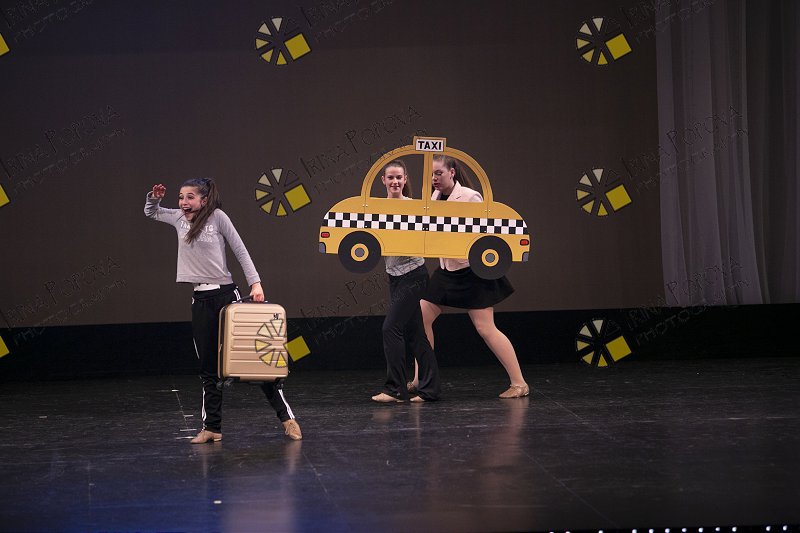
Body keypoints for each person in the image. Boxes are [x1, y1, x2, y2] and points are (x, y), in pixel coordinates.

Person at [144, 178, 302, 442]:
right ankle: (212, 429)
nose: (184, 202)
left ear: (203, 200)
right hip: (201, 301)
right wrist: (154, 198)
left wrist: (255, 283)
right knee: (209, 369)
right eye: (181, 197)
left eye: (190, 197)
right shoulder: (178, 218)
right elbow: (152, 212)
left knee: (256, 363)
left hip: (227, 297)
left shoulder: (217, 217)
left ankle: (288, 419)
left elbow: (240, 249)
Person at [418, 155, 529, 399]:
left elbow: (484, 233)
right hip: (447, 270)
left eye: (439, 173)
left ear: (452, 172)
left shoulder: (470, 197)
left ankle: (519, 383)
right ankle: (420, 378)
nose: (434, 178)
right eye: (432, 174)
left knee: (485, 328)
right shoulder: (434, 197)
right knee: (420, 317)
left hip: (471, 272)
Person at [370, 160, 440, 403]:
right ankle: (430, 390)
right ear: (383, 180)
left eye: (399, 177)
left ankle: (395, 390)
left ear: (405, 179)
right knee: (416, 334)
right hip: (395, 277)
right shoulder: (377, 208)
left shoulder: (413, 207)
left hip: (413, 275)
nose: (395, 182)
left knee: (390, 328)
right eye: (390, 177)